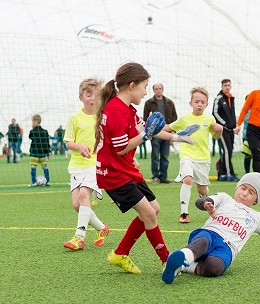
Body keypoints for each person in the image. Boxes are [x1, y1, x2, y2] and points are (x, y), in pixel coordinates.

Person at [94, 62, 197, 274]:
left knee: (154, 209)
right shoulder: (116, 110)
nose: (145, 92)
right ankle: (168, 261)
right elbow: (122, 148)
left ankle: (120, 253)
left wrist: (178, 137)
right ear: (131, 86)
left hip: (126, 171)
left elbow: (151, 130)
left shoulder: (127, 109)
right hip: (113, 174)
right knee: (149, 214)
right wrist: (145, 136)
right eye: (144, 86)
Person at [161, 172, 260, 284]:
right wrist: (206, 204)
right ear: (237, 187)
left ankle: (182, 266)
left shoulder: (257, 217)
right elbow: (201, 202)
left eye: (251, 192)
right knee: (202, 242)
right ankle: (182, 256)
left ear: (256, 200)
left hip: (228, 248)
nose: (244, 194)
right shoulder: (224, 198)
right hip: (211, 233)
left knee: (215, 268)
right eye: (243, 188)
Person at [63, 78, 110, 251]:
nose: (92, 98)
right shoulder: (74, 118)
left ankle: (79, 237)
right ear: (81, 97)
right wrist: (80, 147)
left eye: (96, 94)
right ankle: (101, 228)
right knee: (77, 204)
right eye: (88, 94)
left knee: (84, 196)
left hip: (95, 164)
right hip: (76, 166)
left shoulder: (103, 117)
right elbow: (68, 142)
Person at [165, 87, 223, 224]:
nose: (199, 104)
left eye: (202, 102)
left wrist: (220, 130)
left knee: (202, 189)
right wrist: (155, 128)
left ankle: (206, 197)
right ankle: (184, 213)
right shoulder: (185, 119)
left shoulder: (209, 119)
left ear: (206, 104)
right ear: (190, 103)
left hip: (203, 158)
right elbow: (169, 128)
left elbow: (216, 136)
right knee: (188, 180)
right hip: (187, 155)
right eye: (197, 101)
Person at [143, 83, 178, 184]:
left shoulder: (169, 103)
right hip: (155, 133)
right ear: (153, 90)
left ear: (163, 89)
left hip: (167, 132)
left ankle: (164, 177)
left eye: (160, 88)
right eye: (156, 89)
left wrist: (172, 131)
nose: (158, 90)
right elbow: (145, 119)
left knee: (165, 156)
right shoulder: (149, 103)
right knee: (155, 156)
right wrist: (148, 134)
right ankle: (155, 177)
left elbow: (174, 118)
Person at [212, 79, 238, 182]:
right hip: (223, 130)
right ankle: (229, 173)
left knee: (229, 151)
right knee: (227, 150)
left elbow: (232, 113)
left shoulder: (231, 98)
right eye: (225, 85)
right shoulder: (219, 98)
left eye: (228, 85)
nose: (227, 87)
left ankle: (222, 172)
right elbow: (215, 112)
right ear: (222, 86)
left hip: (231, 129)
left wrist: (234, 124)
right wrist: (224, 124)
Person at [28, 114, 51, 186]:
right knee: (45, 167)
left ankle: (34, 182)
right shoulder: (45, 131)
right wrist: (48, 153)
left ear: (36, 121)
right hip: (43, 153)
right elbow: (47, 143)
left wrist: (33, 128)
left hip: (34, 153)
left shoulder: (32, 131)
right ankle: (47, 181)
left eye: (33, 121)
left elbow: (30, 137)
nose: (32, 123)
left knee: (33, 168)